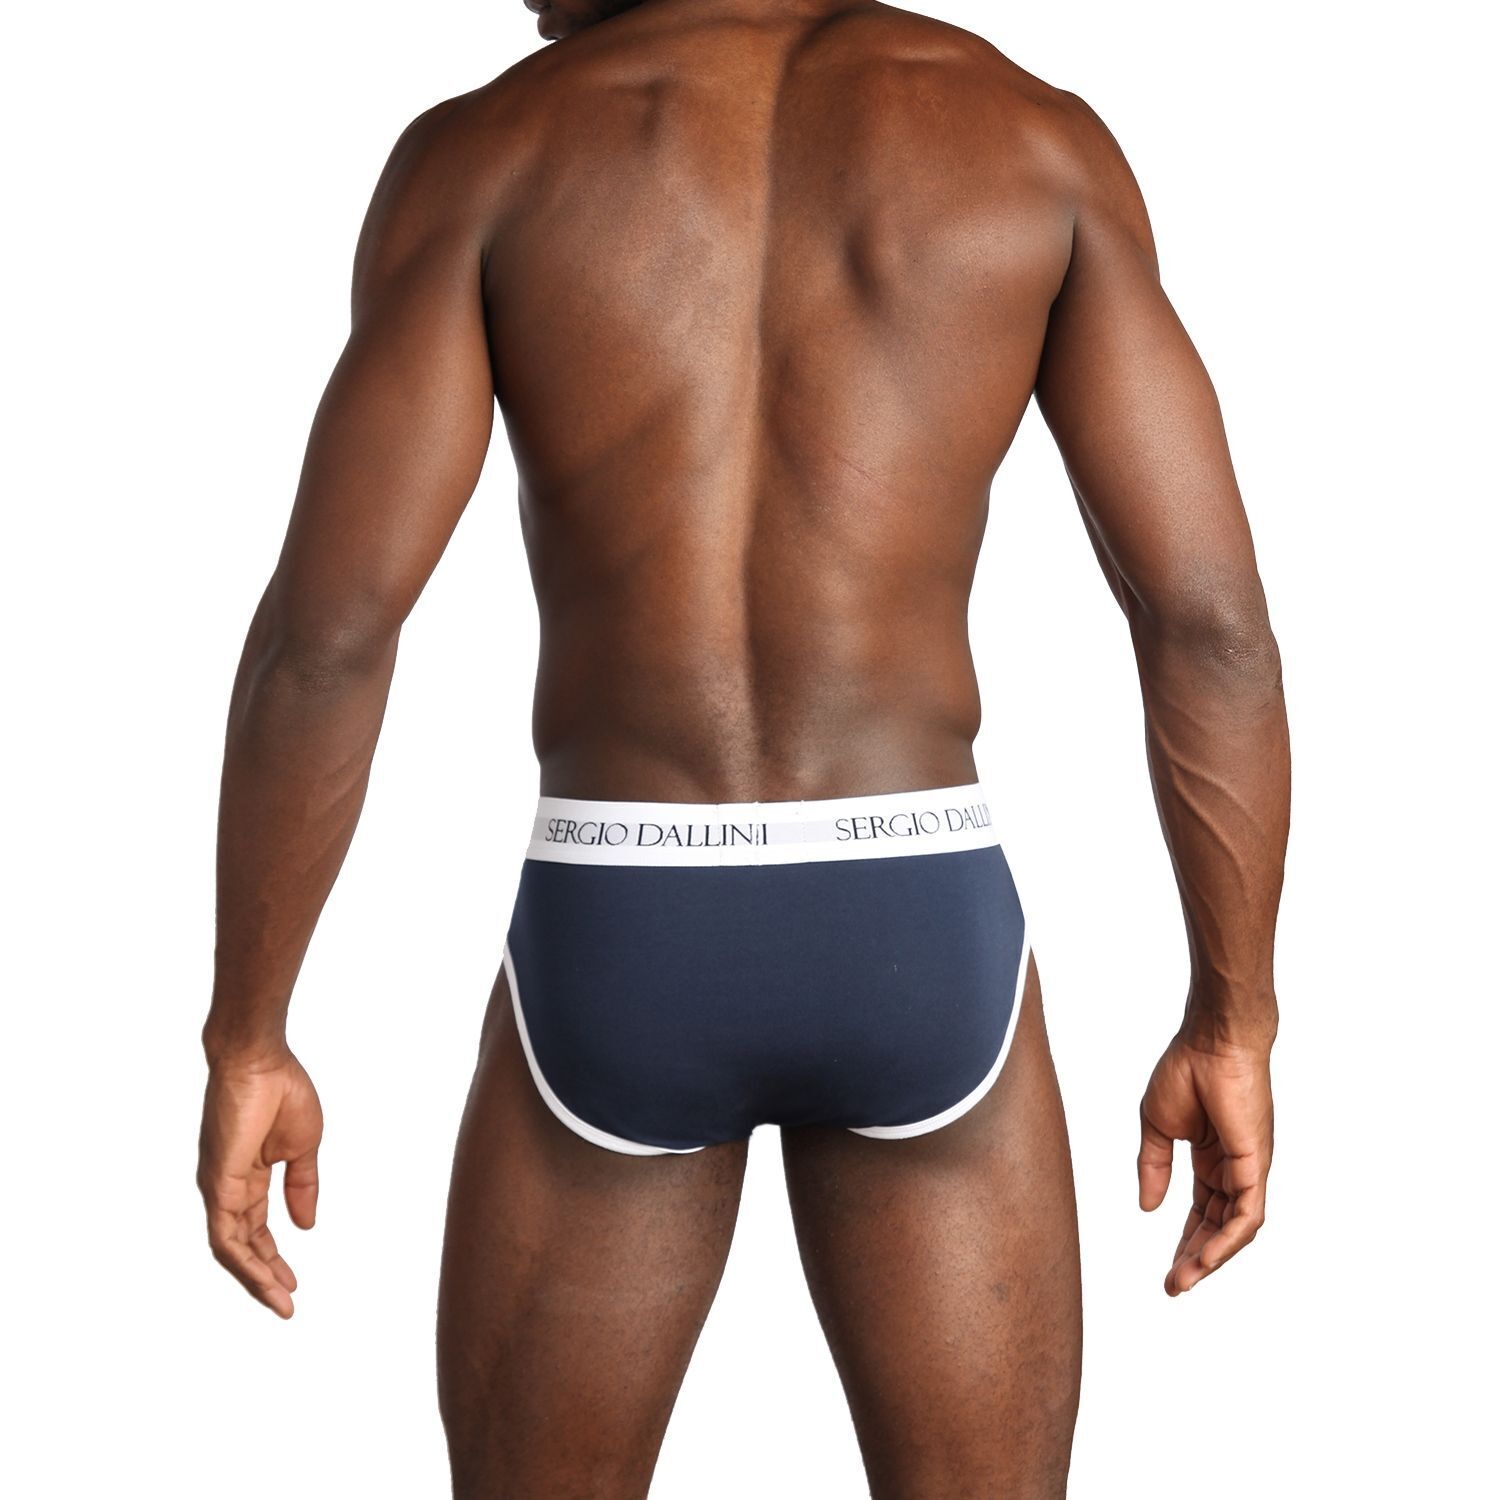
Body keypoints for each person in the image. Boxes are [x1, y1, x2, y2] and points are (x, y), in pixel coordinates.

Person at [197, 1, 1291, 1493]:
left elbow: (325, 641)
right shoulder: (1034, 142)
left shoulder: (490, 152)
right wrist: (1235, 1020)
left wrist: (248, 1034)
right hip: (915, 911)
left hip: (622, 910)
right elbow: (1211, 625)